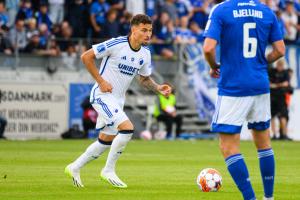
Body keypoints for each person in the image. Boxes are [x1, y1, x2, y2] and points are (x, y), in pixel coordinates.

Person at [65, 14, 171, 188]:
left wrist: (158, 87)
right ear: (133, 29)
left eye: (150, 30)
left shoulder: (145, 54)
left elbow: (144, 79)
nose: (148, 34)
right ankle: (108, 170)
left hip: (117, 100)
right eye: (144, 30)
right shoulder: (117, 44)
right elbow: (86, 57)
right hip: (101, 95)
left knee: (104, 141)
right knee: (127, 128)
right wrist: (101, 81)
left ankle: (74, 167)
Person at [203, 0, 285, 199]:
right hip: (260, 85)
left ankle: (250, 198)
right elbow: (280, 50)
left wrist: (214, 66)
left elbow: (208, 48)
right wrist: (258, 63)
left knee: (228, 146)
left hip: (233, 86)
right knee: (264, 143)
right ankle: (269, 197)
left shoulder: (222, 10)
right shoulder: (266, 11)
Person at [269, 59, 292, 140]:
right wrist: (281, 85)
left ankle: (284, 134)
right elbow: (269, 85)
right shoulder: (272, 72)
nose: (280, 67)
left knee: (283, 116)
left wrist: (275, 85)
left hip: (281, 98)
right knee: (272, 116)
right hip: (272, 97)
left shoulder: (285, 73)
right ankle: (274, 135)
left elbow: (287, 84)